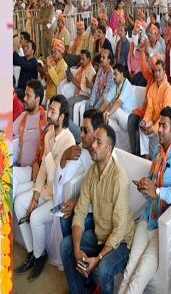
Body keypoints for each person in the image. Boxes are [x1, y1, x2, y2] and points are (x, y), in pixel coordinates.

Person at [118, 107, 171, 294]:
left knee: (138, 277)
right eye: (159, 125)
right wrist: (144, 186)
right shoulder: (158, 150)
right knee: (128, 270)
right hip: (147, 219)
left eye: (164, 126)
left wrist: (157, 191)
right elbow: (152, 182)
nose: (159, 129)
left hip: (162, 228)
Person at [60, 124, 134, 294]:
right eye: (94, 140)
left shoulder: (119, 179)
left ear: (108, 149)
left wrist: (98, 259)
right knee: (67, 247)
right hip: (100, 234)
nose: (92, 145)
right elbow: (80, 212)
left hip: (120, 242)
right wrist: (78, 249)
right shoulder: (92, 173)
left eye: (98, 142)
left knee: (103, 270)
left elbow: (120, 229)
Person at [15, 94, 76, 280]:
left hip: (57, 197)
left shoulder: (69, 141)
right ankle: (34, 253)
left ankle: (40, 256)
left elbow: (56, 178)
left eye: (52, 111)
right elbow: (42, 170)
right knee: (19, 203)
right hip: (46, 191)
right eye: (48, 109)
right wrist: (34, 196)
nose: (48, 114)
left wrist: (49, 147)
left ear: (62, 117)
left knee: (35, 218)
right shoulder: (50, 133)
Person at [56, 109, 102, 237]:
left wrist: (77, 202)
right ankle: (71, 252)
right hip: (86, 203)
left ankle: (71, 249)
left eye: (85, 130)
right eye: (81, 129)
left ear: (98, 133)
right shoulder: (82, 148)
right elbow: (61, 179)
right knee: (64, 218)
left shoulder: (107, 154)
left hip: (101, 211)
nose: (81, 134)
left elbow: (102, 196)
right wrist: (64, 156)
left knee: (78, 222)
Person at [129, 59, 171, 158]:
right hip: (153, 120)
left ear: (164, 72)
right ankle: (146, 156)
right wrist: (145, 121)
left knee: (151, 130)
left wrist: (153, 129)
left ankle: (153, 158)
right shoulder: (152, 87)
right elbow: (149, 109)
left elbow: (165, 116)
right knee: (142, 127)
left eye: (159, 71)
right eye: (155, 71)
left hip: (163, 123)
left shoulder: (167, 89)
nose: (157, 73)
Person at [13, 79, 48, 199]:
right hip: (19, 165)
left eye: (28, 96)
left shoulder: (46, 119)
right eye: (25, 95)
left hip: (34, 170)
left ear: (37, 99)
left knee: (10, 177)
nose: (24, 99)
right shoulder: (23, 116)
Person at [100, 63, 136, 134]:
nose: (113, 76)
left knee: (114, 111)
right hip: (119, 119)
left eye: (115, 74)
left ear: (121, 74)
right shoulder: (115, 85)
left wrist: (107, 113)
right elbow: (106, 102)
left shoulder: (127, 85)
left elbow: (118, 102)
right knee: (106, 120)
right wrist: (97, 114)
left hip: (129, 118)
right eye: (113, 74)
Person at [65, 50, 96, 121]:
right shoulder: (82, 67)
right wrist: (70, 74)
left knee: (69, 102)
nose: (81, 61)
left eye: (83, 59)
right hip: (76, 92)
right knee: (65, 98)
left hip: (84, 95)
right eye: (80, 59)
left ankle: (71, 124)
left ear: (88, 59)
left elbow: (85, 89)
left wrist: (73, 80)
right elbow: (76, 74)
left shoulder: (91, 71)